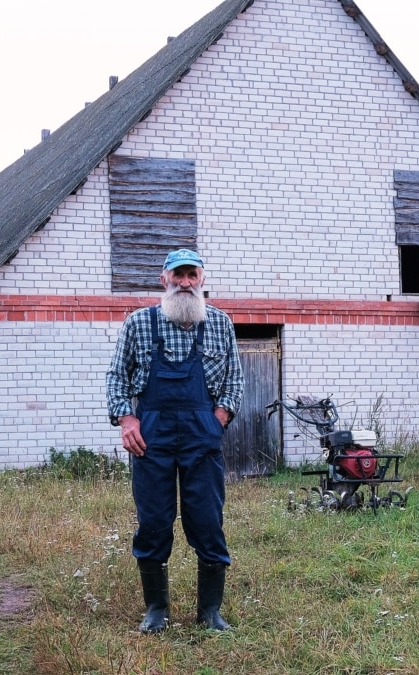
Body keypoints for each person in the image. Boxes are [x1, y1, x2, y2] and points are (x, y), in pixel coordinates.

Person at [106, 248, 243, 633]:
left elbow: (235, 379)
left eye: (191, 275)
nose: (185, 282)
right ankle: (156, 610)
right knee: (153, 521)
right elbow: (116, 376)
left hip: (202, 436)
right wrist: (126, 418)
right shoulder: (139, 323)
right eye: (177, 275)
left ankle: (210, 613)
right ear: (163, 279)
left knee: (208, 521)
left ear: (202, 279)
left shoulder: (220, 323)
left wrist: (220, 417)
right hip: (152, 437)